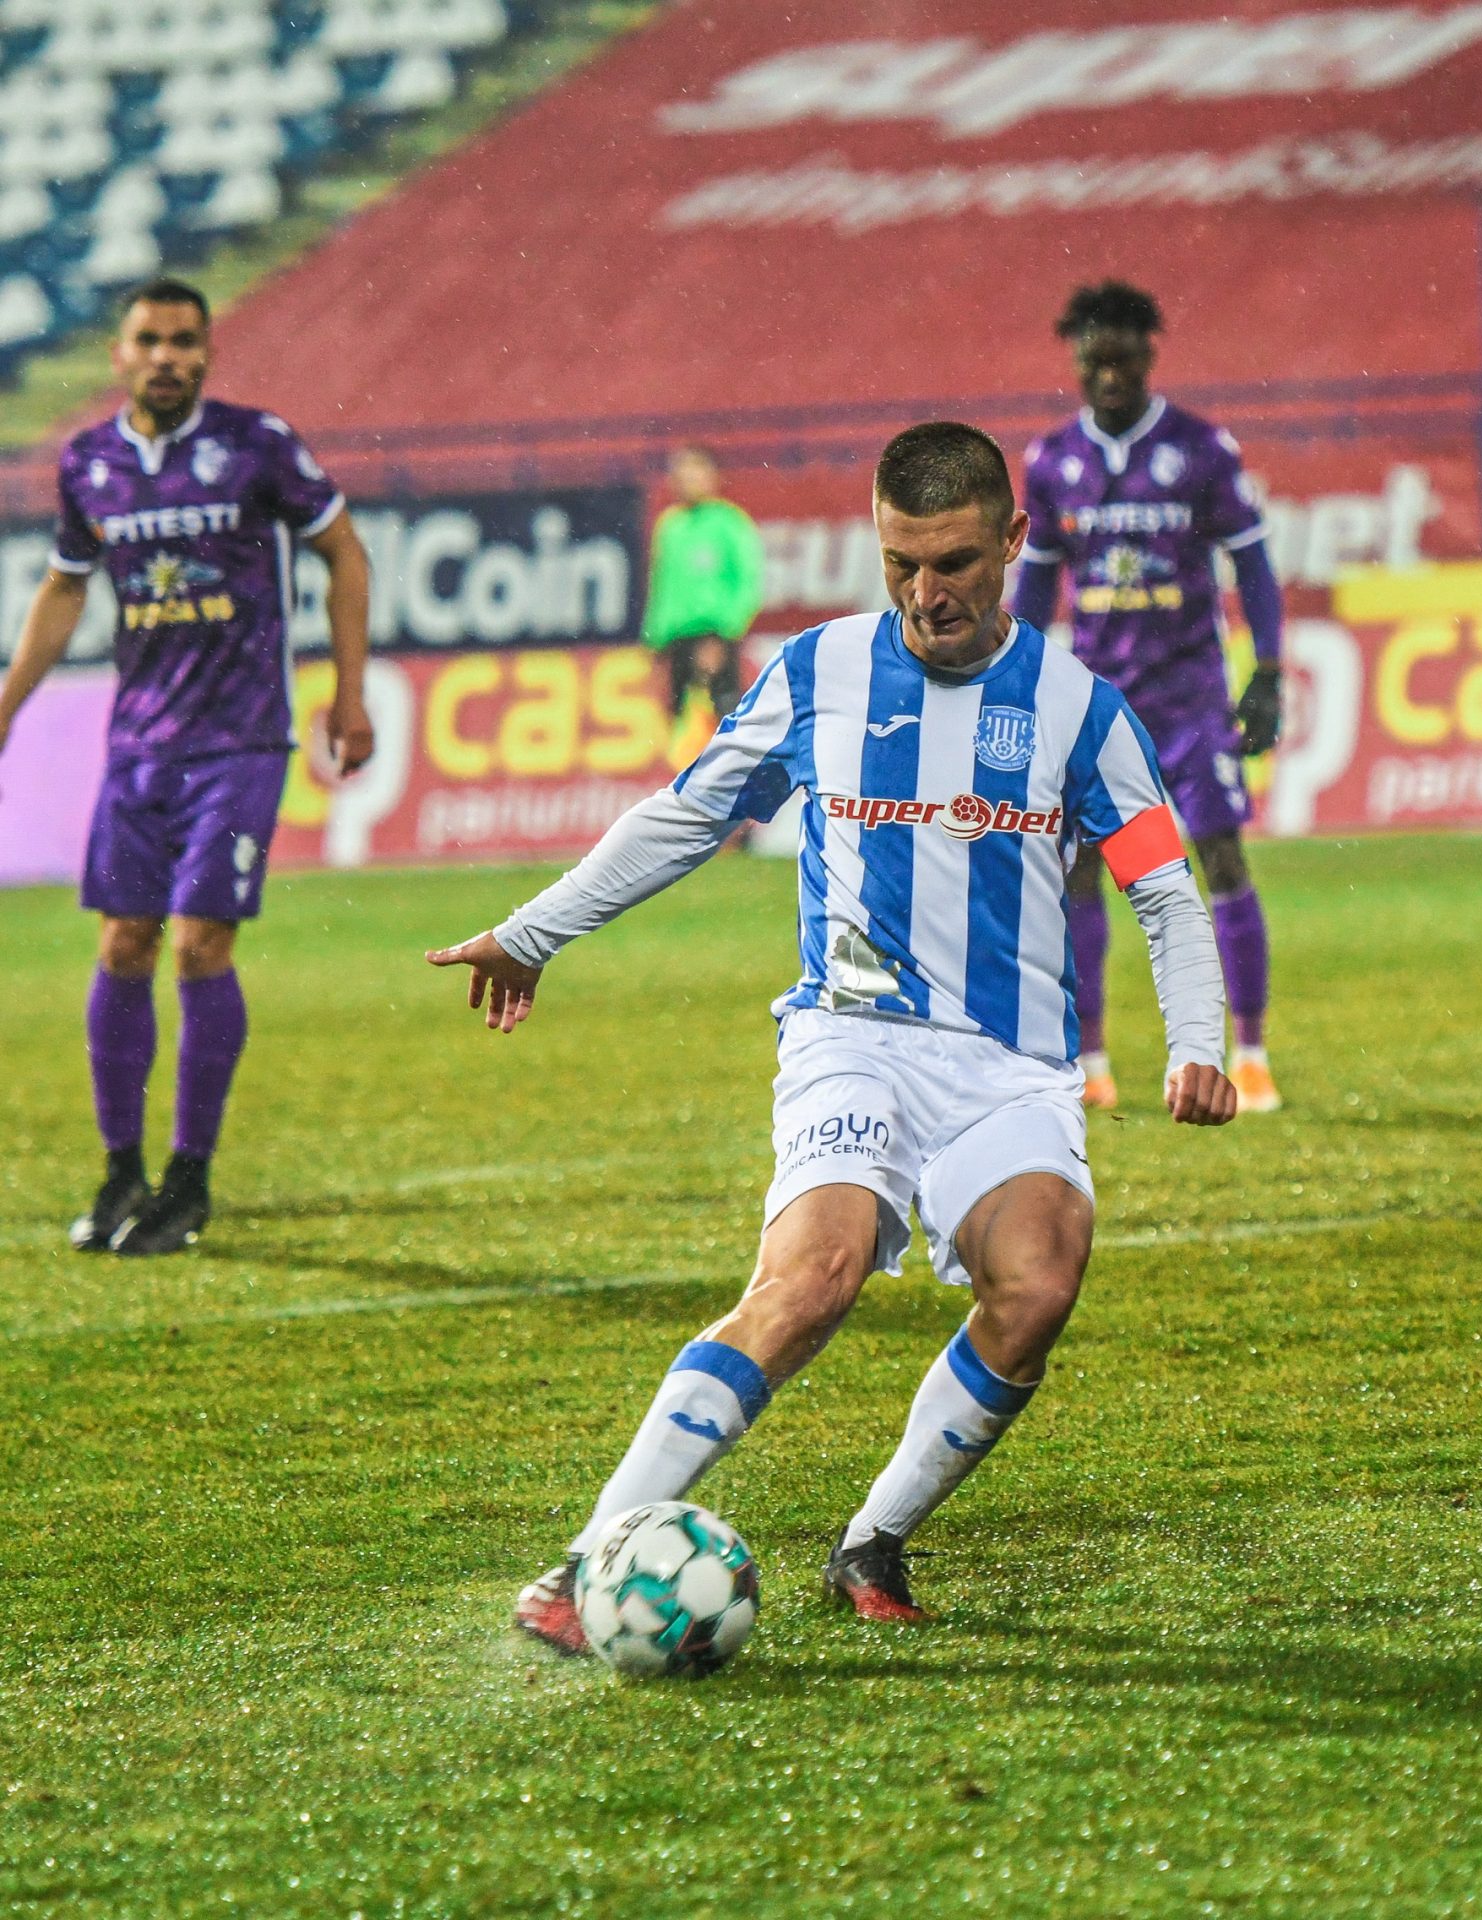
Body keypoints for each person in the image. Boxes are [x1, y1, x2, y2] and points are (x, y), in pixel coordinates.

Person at [426, 423, 1238, 1645]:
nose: (927, 593)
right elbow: (685, 817)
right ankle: (585, 1566)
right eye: (900, 562)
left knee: (1039, 1281)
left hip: (1009, 1064)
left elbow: (1163, 887)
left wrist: (1199, 1041)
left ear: (1014, 542)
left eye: (955, 561)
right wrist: (533, 931)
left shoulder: (1080, 709)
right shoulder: (818, 674)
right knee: (812, 1279)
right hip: (850, 1035)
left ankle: (875, 1538)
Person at [0, 275, 372, 1256]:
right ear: (119, 352)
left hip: (241, 739)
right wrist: (7, 702)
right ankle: (121, 1171)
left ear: (207, 351)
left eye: (184, 340)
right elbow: (63, 590)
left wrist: (348, 690)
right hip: (139, 746)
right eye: (149, 339)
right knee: (124, 942)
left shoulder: (257, 446)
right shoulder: (87, 465)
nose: (167, 355)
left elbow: (344, 552)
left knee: (199, 945)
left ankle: (189, 1179)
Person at [1011, 280, 1288, 1113]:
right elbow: (1036, 585)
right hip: (1094, 699)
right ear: (1077, 362)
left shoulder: (1203, 450)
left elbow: (1254, 565)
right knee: (1080, 869)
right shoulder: (1051, 460)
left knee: (1221, 855)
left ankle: (1250, 1053)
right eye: (1093, 362)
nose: (1107, 377)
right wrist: (1013, 680)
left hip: (1189, 692)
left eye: (1122, 360)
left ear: (1147, 355)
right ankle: (1088, 1063)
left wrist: (1268, 669)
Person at [643, 445, 762, 731]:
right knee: (676, 720)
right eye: (681, 473)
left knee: (724, 713)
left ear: (712, 477)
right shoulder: (670, 526)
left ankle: (731, 775)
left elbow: (748, 581)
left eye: (695, 472)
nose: (687, 480)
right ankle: (682, 775)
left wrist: (725, 633)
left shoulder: (729, 523)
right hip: (675, 639)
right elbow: (661, 587)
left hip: (713, 635)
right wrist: (654, 640)